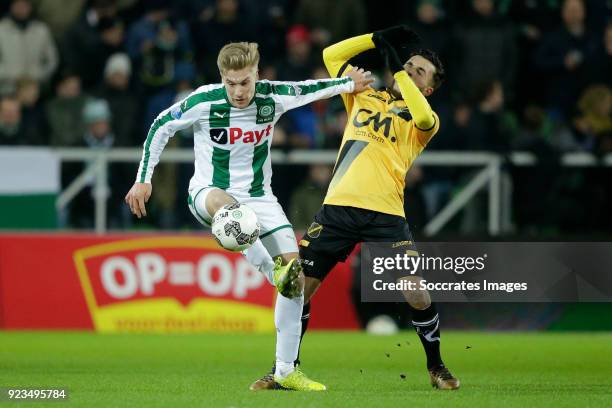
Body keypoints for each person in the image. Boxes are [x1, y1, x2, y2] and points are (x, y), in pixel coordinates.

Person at [124, 41, 372, 391]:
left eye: (245, 82)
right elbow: (160, 125)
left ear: (257, 75)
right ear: (221, 78)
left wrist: (349, 84)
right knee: (234, 215)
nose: (238, 91)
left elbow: (310, 90)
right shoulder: (204, 101)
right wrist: (143, 180)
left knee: (297, 278)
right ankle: (272, 272)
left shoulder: (273, 97)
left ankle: (286, 370)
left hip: (261, 198)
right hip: (208, 193)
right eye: (231, 83)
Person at [249, 25, 460, 391]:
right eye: (407, 64)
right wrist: (376, 39)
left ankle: (436, 366)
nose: (409, 71)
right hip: (337, 210)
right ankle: (283, 368)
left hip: (387, 215)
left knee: (415, 290)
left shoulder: (423, 120)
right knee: (297, 287)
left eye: (418, 72)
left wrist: (395, 68)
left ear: (427, 89)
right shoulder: (363, 95)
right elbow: (332, 56)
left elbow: (424, 117)